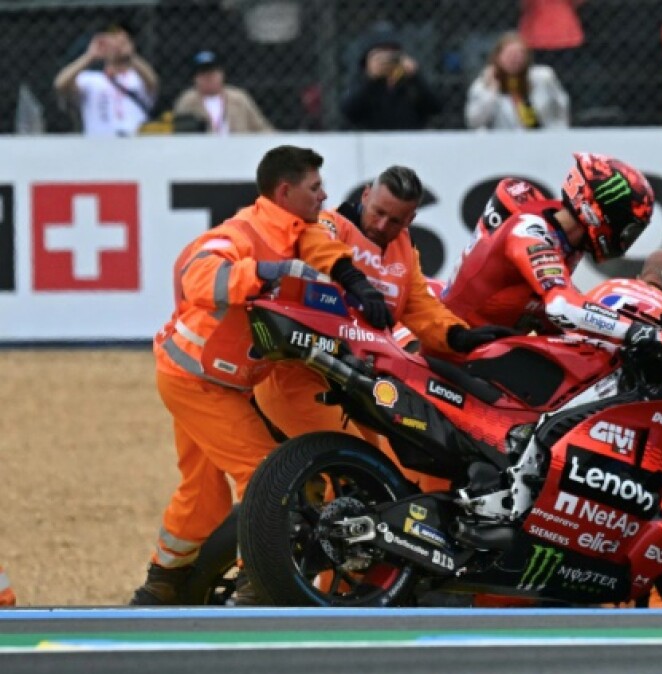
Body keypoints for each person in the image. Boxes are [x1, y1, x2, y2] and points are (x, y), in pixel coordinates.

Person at [129, 145, 389, 605]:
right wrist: (262, 273)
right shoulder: (241, 233)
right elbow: (198, 276)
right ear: (285, 191)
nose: (325, 195)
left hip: (215, 381)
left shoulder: (298, 231)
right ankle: (258, 582)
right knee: (265, 471)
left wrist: (354, 281)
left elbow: (322, 251)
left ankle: (162, 583)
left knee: (203, 494)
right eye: (315, 188)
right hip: (197, 380)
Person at [254, 165, 510, 442]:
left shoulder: (405, 252)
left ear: (410, 219)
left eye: (395, 220)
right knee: (346, 470)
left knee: (381, 474)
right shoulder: (328, 224)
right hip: (299, 373)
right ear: (365, 196)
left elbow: (422, 308)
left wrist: (459, 336)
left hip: (356, 383)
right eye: (378, 212)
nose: (381, 226)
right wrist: (354, 280)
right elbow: (316, 246)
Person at [442, 153, 662, 358]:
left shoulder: (568, 242)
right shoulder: (530, 230)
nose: (626, 238)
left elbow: (556, 315)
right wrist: (637, 332)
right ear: (600, 212)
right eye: (627, 227)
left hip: (489, 349)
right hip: (454, 349)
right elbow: (561, 306)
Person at [52, 22, 159, 136]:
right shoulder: (91, 79)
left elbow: (152, 81)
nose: (118, 46)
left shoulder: (137, 77)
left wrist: (131, 56)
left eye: (123, 42)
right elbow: (60, 84)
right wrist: (90, 56)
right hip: (99, 145)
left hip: (136, 144)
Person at [465, 31, 570, 130]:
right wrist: (492, 91)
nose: (515, 59)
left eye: (519, 54)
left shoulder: (543, 77)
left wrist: (559, 132)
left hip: (543, 135)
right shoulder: (484, 84)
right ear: (498, 57)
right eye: (510, 54)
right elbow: (474, 121)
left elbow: (562, 106)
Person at [342, 31, 441, 131]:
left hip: (409, 139)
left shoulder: (410, 84)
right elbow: (349, 111)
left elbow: (436, 107)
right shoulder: (361, 82)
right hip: (372, 140)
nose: (387, 61)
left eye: (393, 54)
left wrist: (415, 77)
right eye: (381, 57)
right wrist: (371, 78)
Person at [172, 50, 275, 134]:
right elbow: (179, 134)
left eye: (212, 73)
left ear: (222, 74)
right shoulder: (187, 101)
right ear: (195, 78)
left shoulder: (238, 98)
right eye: (203, 73)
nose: (208, 77)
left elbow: (262, 129)